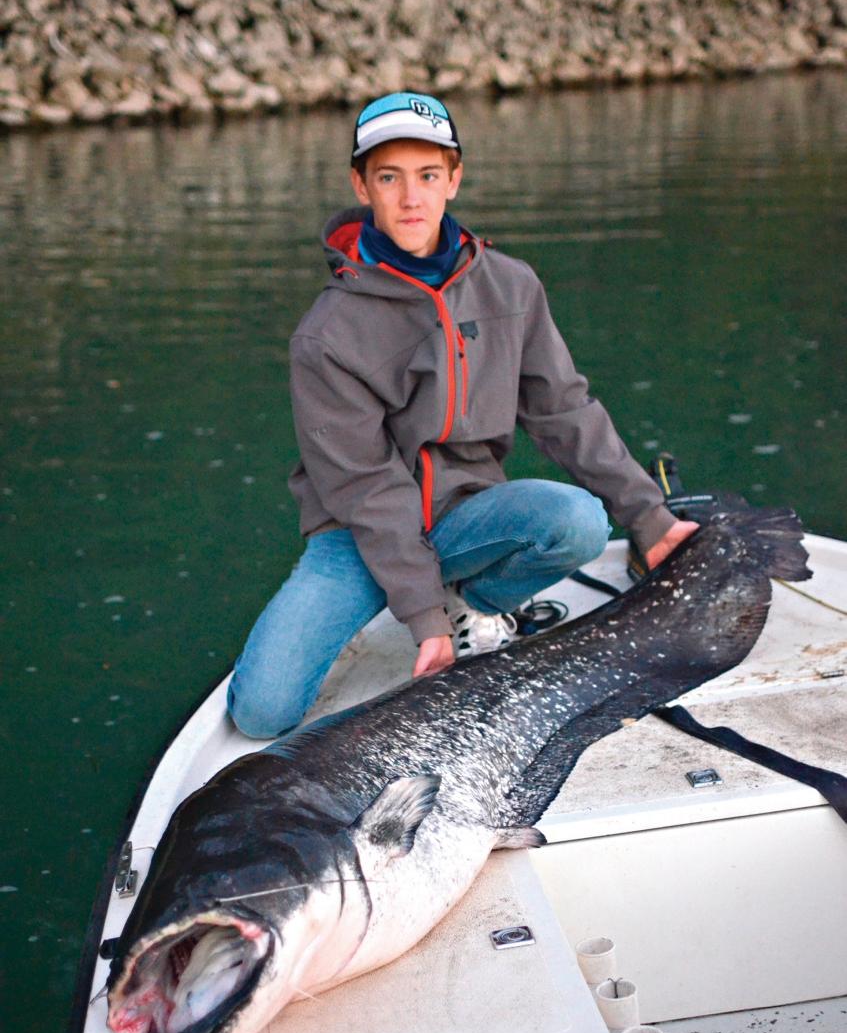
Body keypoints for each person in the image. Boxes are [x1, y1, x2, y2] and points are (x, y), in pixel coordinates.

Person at [227, 91, 697, 740]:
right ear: (360, 186)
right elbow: (365, 487)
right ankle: (432, 599)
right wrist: (420, 615)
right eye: (388, 178)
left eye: (427, 176)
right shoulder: (325, 334)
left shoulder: (511, 285)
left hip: (465, 515)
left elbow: (563, 410)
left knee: (575, 521)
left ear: (453, 179)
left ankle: (473, 601)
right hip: (356, 535)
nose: (410, 198)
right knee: (260, 713)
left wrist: (649, 518)